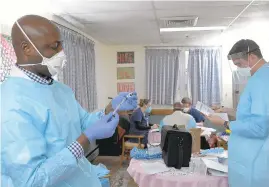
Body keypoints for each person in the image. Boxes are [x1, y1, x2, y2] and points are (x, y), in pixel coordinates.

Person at [0, 15, 138, 187]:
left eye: (61, 45)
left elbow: (82, 122)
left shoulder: (60, 90)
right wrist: (85, 139)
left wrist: (111, 109)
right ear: (26, 48)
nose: (62, 53)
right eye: (54, 47)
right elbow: (31, 181)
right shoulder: (10, 102)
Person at [206, 39, 269, 187]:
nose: (239, 69)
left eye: (239, 64)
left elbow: (260, 127)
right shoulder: (259, 78)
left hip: (255, 160)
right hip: (248, 155)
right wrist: (228, 110)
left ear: (252, 56)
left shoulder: (263, 80)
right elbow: (253, 113)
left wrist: (225, 123)